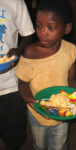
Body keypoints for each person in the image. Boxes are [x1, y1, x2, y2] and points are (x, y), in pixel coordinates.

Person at [15, 0, 76, 150]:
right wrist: (30, 100)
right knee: (40, 145)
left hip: (61, 114)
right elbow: (22, 82)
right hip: (37, 113)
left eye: (51, 27)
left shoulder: (70, 50)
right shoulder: (30, 52)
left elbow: (72, 79)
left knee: (59, 145)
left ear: (66, 28)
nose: (43, 32)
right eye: (39, 25)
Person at [0, 0, 35, 150]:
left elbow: (28, 35)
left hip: (10, 85)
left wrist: (18, 50)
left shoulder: (15, 2)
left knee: (14, 136)